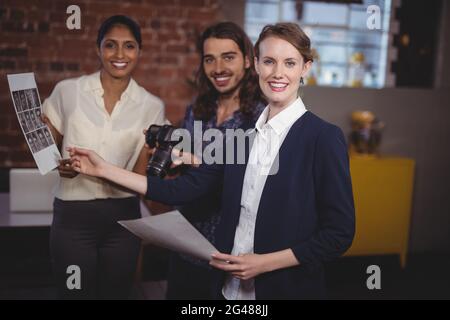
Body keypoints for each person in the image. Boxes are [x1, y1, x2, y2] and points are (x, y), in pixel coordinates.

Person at [69, 22, 355, 299]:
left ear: (305, 67)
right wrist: (102, 168)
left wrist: (263, 263)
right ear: (255, 65)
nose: (277, 73)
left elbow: (338, 234)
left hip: (285, 289)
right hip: (227, 289)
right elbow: (181, 190)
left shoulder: (323, 137)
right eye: (269, 61)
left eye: (290, 63)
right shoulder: (240, 138)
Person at [42, 15, 167, 299]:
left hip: (123, 220)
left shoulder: (151, 106)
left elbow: (140, 177)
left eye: (129, 46)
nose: (120, 54)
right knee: (74, 293)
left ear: (139, 51)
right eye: (111, 45)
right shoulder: (68, 91)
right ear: (98, 48)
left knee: (117, 295)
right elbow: (46, 153)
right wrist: (58, 165)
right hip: (72, 217)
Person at [165, 21, 264, 299]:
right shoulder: (197, 110)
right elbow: (185, 173)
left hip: (229, 252)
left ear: (247, 61)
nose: (218, 68)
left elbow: (252, 182)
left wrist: (197, 161)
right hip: (184, 240)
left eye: (228, 57)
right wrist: (173, 159)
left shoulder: (260, 116)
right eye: (210, 59)